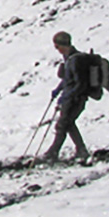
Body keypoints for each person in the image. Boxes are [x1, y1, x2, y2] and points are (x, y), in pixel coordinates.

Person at [42, 31, 91, 162]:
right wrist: (58, 90)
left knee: (63, 124)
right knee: (67, 124)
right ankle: (81, 150)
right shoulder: (70, 59)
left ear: (62, 45)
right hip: (72, 97)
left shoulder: (75, 61)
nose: (57, 49)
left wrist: (66, 95)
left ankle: (54, 152)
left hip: (75, 98)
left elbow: (79, 83)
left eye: (57, 46)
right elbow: (68, 80)